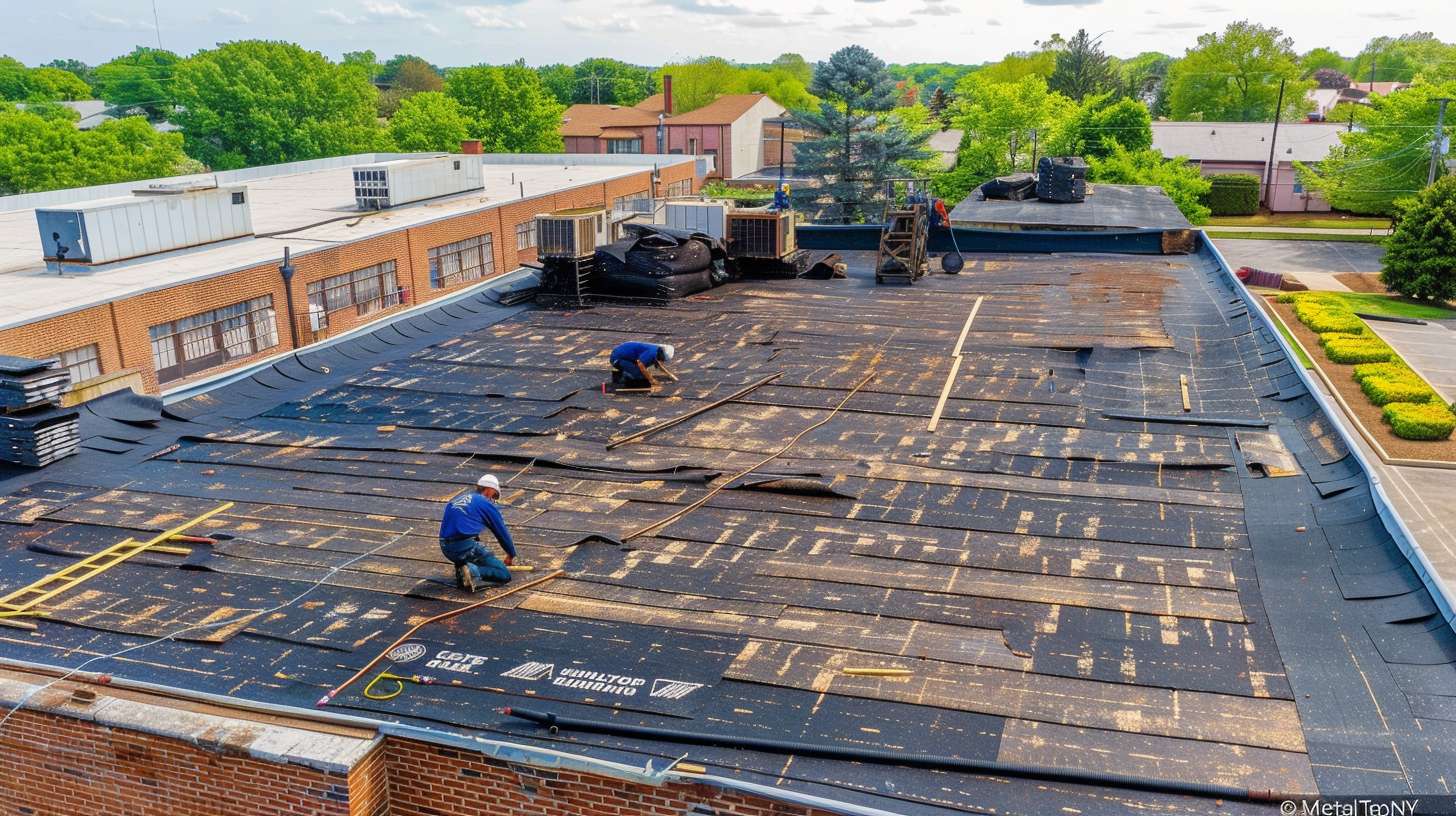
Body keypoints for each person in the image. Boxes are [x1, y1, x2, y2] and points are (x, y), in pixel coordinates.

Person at [438, 474, 516, 592]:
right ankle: (471, 571)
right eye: (494, 495)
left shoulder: (458, 499)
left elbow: (458, 523)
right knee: (503, 574)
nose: (492, 500)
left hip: (446, 548)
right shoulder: (485, 503)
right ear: (489, 490)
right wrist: (510, 554)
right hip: (463, 547)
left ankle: (463, 568)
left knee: (475, 549)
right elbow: (501, 532)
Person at [610, 341, 676, 389]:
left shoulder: (657, 350)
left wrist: (669, 374)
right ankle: (623, 378)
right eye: (662, 359)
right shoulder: (651, 353)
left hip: (628, 357)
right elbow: (641, 366)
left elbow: (659, 365)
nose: (662, 360)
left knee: (646, 370)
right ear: (661, 354)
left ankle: (629, 372)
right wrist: (651, 380)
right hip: (616, 358)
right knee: (641, 376)